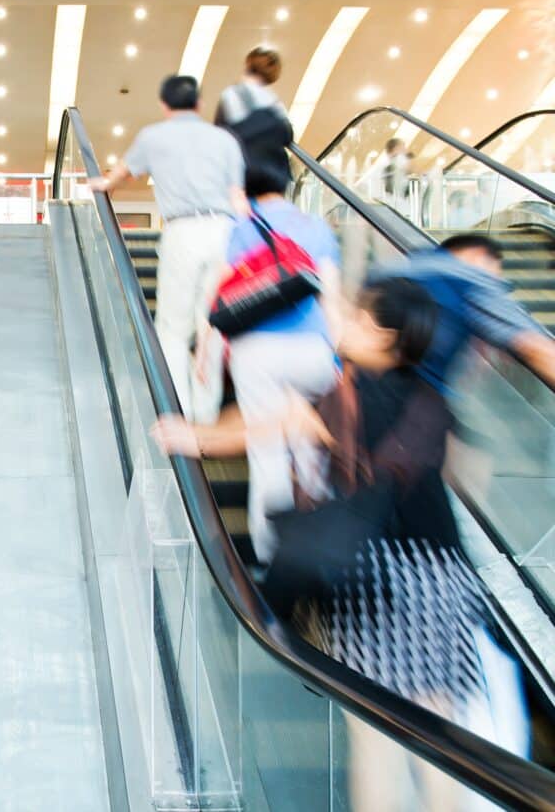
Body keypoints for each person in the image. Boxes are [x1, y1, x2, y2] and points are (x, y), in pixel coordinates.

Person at [154, 277, 527, 810]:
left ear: (382, 334)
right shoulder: (430, 401)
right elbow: (471, 474)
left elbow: (269, 425)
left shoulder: (346, 396)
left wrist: (192, 437)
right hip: (446, 580)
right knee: (438, 737)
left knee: (376, 737)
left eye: (355, 318)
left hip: (376, 580)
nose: (343, 324)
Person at [199, 178, 342, 564]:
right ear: (289, 183)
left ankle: (271, 554)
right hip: (313, 349)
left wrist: (205, 351)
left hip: (256, 351)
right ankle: (321, 543)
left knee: (267, 452)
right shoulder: (316, 226)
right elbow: (332, 295)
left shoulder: (240, 229)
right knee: (311, 445)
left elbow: (220, 290)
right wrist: (339, 356)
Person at [90, 74, 246, 423]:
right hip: (224, 231)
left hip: (183, 230)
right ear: (199, 104)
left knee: (173, 329)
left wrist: (102, 185)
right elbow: (239, 197)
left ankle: (179, 410)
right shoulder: (225, 140)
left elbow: (120, 174)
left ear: (164, 105)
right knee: (213, 324)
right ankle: (205, 414)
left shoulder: (154, 136)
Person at [370, 233, 555, 392]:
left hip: (369, 387)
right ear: (479, 255)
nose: (494, 282)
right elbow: (534, 346)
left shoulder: (396, 268)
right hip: (410, 401)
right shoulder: (468, 280)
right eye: (495, 274)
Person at [215, 46, 293, 198]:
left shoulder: (231, 94)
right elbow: (287, 134)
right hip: (273, 177)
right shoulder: (274, 101)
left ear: (248, 65)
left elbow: (220, 135)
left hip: (242, 175)